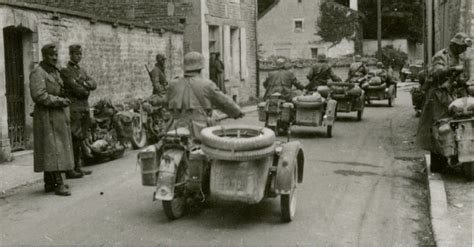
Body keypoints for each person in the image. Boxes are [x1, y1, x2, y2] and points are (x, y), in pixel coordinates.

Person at [417, 32, 472, 171]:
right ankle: (438, 165)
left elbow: (456, 78)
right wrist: (451, 69)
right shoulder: (441, 55)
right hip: (438, 95)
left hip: (450, 94)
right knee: (439, 126)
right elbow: (435, 73)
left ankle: (454, 155)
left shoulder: (456, 57)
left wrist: (463, 82)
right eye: (462, 47)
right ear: (455, 45)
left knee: (455, 123)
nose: (464, 49)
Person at [167, 52, 243, 141]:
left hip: (175, 129)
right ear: (200, 68)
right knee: (214, 149)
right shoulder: (207, 84)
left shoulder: (173, 84)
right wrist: (237, 112)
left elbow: (165, 102)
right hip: (199, 131)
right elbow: (223, 101)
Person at [30, 44, 74, 196]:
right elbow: (39, 95)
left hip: (57, 115)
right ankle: (59, 184)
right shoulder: (38, 72)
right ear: (44, 56)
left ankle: (49, 182)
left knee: (54, 147)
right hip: (46, 115)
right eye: (51, 55)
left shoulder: (54, 72)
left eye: (56, 55)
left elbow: (60, 88)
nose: (55, 58)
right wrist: (59, 101)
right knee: (54, 148)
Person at [61, 44, 97, 178]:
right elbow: (77, 90)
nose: (79, 56)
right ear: (70, 54)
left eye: (80, 54)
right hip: (74, 108)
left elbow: (94, 83)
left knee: (81, 137)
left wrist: (85, 84)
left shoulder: (82, 70)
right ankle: (71, 168)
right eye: (76, 54)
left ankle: (78, 166)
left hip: (84, 107)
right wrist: (85, 86)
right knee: (74, 139)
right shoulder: (66, 71)